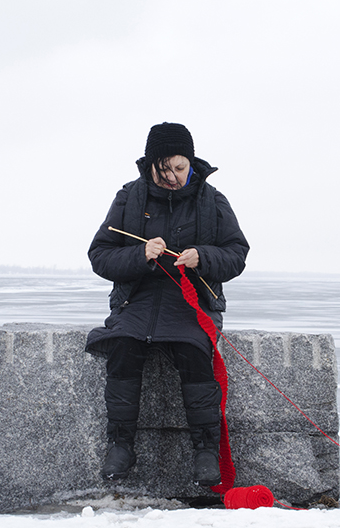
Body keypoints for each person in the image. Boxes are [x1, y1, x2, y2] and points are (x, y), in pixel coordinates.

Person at [86, 122, 250, 486]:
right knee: (123, 346)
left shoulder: (213, 201)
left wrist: (202, 257)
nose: (174, 176)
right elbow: (99, 255)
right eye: (165, 169)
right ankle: (121, 445)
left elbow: (237, 254)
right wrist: (139, 254)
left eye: (181, 167)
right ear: (151, 166)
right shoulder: (129, 198)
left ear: (190, 163)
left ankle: (206, 451)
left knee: (193, 348)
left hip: (192, 303)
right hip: (137, 300)